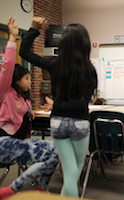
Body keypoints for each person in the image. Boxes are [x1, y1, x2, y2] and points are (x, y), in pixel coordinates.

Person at [20, 17, 97, 197]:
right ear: (85, 44)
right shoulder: (90, 70)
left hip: (57, 122)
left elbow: (24, 52)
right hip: (80, 123)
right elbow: (84, 99)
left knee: (70, 170)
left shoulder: (54, 64)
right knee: (76, 167)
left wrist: (33, 29)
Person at [0, 17, 59, 199]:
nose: (29, 81)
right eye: (26, 78)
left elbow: (22, 115)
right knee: (49, 158)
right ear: (15, 79)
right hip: (3, 143)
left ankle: (41, 188)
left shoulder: (22, 98)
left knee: (58, 150)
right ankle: (12, 189)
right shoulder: (4, 91)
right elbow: (8, 65)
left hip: (20, 141)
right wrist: (12, 37)